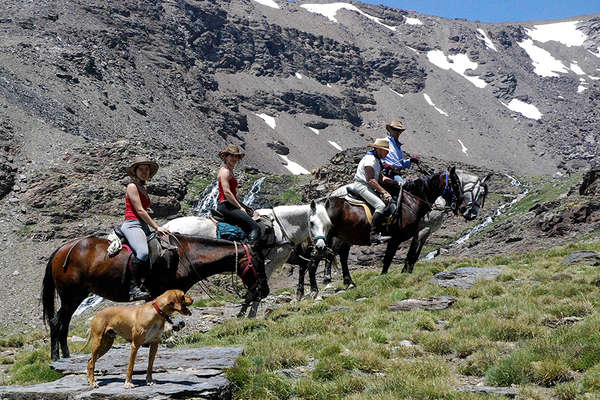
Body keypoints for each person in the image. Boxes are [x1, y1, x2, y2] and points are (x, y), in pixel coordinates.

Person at [121, 156, 171, 301]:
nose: (144, 172)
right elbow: (140, 210)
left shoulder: (143, 187)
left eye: (147, 169)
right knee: (142, 253)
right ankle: (133, 287)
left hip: (142, 226)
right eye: (141, 169)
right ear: (135, 171)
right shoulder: (132, 186)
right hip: (132, 224)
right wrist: (157, 227)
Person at [348, 138, 398, 244]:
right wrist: (384, 192)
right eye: (386, 150)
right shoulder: (370, 160)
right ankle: (373, 235)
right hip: (362, 185)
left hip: (368, 186)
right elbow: (370, 180)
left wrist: (397, 183)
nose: (387, 152)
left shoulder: (376, 160)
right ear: (379, 149)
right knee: (381, 206)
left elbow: (381, 178)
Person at [216, 144, 261, 242]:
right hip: (226, 205)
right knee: (255, 228)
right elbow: (227, 192)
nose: (234, 158)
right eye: (232, 155)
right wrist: (240, 207)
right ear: (226, 156)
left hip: (229, 204)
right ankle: (248, 253)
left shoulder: (229, 171)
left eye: (236, 156)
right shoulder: (225, 172)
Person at [382, 120, 420, 185]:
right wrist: (385, 165)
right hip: (388, 173)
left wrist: (410, 161)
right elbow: (379, 156)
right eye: (394, 129)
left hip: (397, 173)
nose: (397, 132)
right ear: (390, 130)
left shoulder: (397, 146)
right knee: (406, 187)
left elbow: (401, 163)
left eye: (399, 131)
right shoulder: (384, 142)